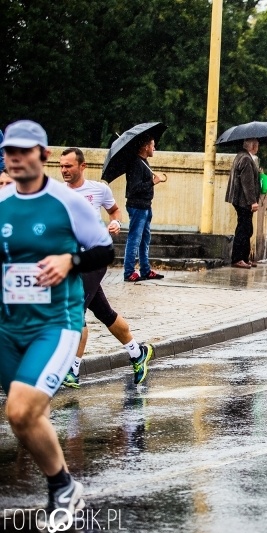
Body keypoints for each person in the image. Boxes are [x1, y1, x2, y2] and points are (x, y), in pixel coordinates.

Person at [0, 120, 115, 528]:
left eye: (25, 151)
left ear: (43, 155)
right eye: (10, 151)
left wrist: (71, 260)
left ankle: (63, 487)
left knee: (20, 410)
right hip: (8, 327)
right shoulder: (2, 203)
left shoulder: (67, 202)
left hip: (54, 323)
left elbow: (104, 250)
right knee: (27, 417)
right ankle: (63, 485)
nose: (16, 158)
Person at [59, 148, 154, 388]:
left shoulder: (99, 190)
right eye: (61, 166)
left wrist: (115, 223)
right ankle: (137, 353)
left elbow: (114, 211)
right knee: (104, 312)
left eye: (68, 166)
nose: (64, 170)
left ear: (82, 166)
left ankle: (73, 370)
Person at [123, 134, 167, 282]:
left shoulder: (143, 162)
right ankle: (129, 272)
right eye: (152, 145)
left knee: (144, 240)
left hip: (146, 206)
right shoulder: (136, 164)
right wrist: (153, 182)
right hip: (138, 207)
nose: (154, 148)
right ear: (146, 147)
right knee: (134, 239)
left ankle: (145, 270)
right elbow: (134, 188)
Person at [225, 138, 261, 269]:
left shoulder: (241, 156)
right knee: (244, 229)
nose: (258, 147)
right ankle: (238, 258)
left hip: (239, 199)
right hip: (243, 200)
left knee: (246, 228)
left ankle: (244, 258)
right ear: (253, 146)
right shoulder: (246, 159)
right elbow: (247, 183)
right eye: (257, 145)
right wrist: (253, 201)